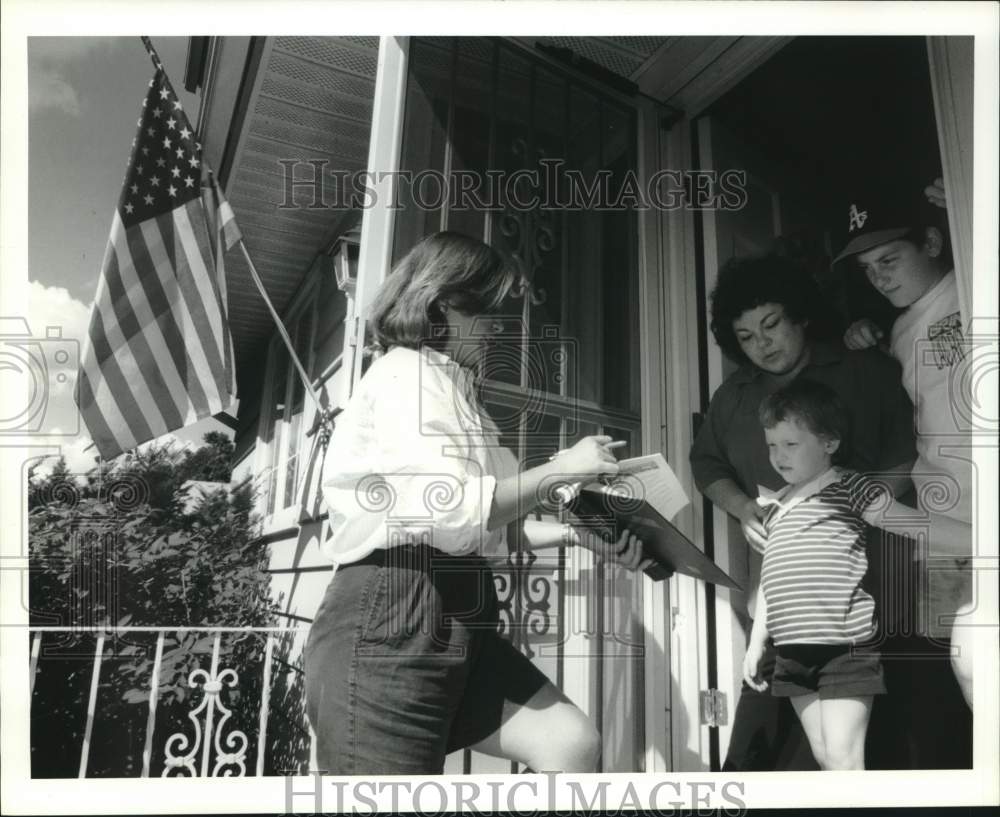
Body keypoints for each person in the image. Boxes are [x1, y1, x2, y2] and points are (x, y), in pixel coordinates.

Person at [304, 231, 649, 775]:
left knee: (570, 742)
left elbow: (494, 524)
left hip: (458, 614)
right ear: (441, 304)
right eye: (487, 307)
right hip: (391, 613)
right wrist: (559, 469)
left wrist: (579, 534)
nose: (499, 323)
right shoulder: (405, 376)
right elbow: (451, 509)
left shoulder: (459, 395)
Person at [689, 253, 917, 771]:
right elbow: (706, 464)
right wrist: (742, 507)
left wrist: (852, 509)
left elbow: (907, 452)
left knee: (872, 752)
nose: (762, 343)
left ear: (800, 316)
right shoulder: (731, 398)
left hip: (865, 604)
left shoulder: (864, 370)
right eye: (745, 336)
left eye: (770, 325)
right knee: (761, 764)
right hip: (781, 613)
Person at [744, 380, 971, 770]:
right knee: (827, 758)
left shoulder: (848, 486)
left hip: (842, 649)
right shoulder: (777, 503)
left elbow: (907, 523)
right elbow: (771, 576)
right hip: (791, 652)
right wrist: (755, 642)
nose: (778, 456)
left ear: (829, 443)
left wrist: (980, 537)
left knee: (846, 761)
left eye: (791, 444)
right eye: (772, 445)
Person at [835, 180, 974, 710]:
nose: (878, 277)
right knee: (953, 668)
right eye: (868, 269)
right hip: (940, 521)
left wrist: (974, 201)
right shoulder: (894, 331)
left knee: (978, 657)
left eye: (889, 259)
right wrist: (862, 338)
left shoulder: (976, 282)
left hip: (987, 513)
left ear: (934, 243)